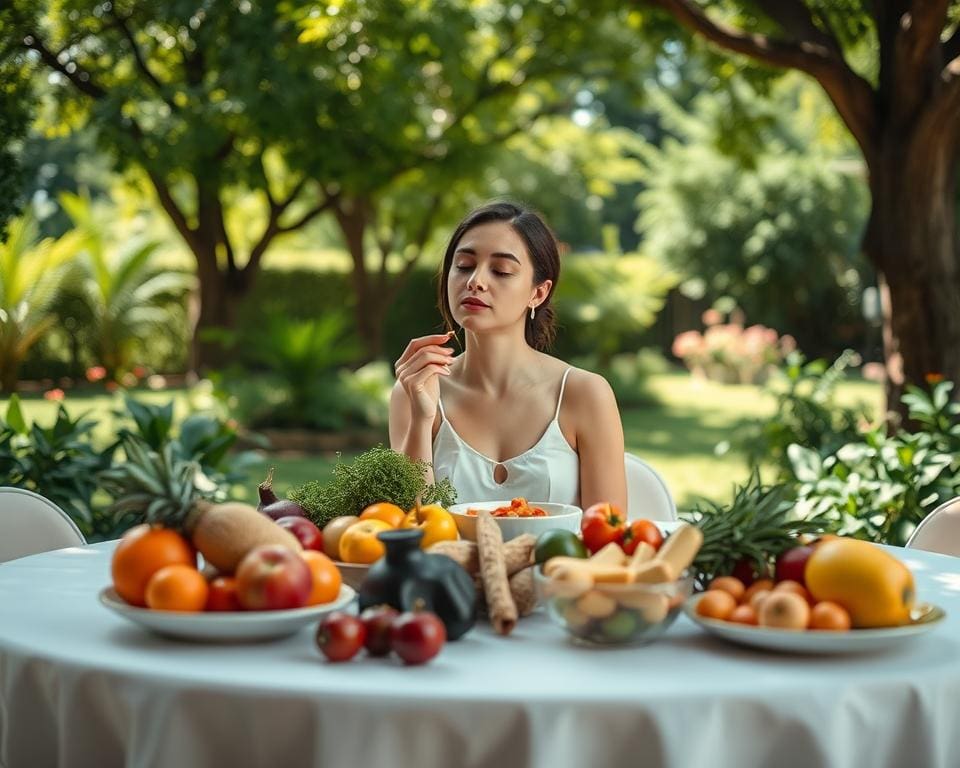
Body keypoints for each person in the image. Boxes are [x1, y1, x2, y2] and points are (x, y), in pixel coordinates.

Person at [389, 201, 627, 512]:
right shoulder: (415, 391)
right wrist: (422, 418)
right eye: (463, 265)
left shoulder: (584, 393)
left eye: (501, 270)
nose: (475, 280)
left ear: (538, 293)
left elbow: (609, 535)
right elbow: (410, 527)